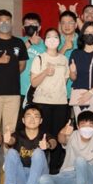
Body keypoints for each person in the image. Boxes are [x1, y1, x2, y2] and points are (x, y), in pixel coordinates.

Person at [31, 28, 72, 173]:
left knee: (57, 137)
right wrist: (45, 73)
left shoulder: (64, 59)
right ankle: (40, 169)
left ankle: (54, 170)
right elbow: (34, 83)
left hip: (60, 103)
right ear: (45, 40)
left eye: (55, 37)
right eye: (49, 37)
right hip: (42, 103)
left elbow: (65, 81)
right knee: (42, 136)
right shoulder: (39, 58)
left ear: (59, 41)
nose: (52, 39)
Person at [44, 110, 93, 184]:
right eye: (83, 125)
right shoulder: (73, 135)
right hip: (68, 176)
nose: (87, 128)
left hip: (86, 177)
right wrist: (63, 132)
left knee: (80, 160)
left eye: (90, 125)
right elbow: (62, 139)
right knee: (43, 179)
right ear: (78, 126)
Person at [0, 9, 27, 137]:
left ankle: (8, 151)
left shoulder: (19, 43)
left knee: (10, 130)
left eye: (7, 20)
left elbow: (22, 65)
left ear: (11, 22)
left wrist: (11, 74)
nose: (4, 23)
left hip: (13, 93)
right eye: (1, 21)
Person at [1, 106, 51, 184]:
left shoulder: (44, 135)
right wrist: (8, 141)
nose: (32, 119)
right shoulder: (18, 134)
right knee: (11, 152)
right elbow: (11, 141)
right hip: (21, 178)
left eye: (36, 116)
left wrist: (48, 145)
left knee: (38, 152)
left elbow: (53, 142)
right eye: (29, 116)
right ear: (23, 120)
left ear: (41, 120)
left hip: (38, 179)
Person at [20, 12, 47, 104]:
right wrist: (30, 42)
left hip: (39, 90)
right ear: (23, 27)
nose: (30, 26)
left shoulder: (45, 44)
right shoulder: (18, 41)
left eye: (34, 24)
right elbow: (15, 56)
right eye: (27, 24)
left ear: (39, 27)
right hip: (20, 88)